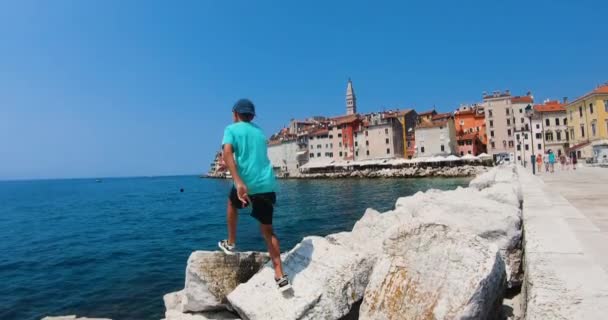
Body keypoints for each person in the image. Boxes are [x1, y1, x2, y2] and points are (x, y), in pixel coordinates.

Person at [218, 98, 291, 292]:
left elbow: (227, 154)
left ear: (235, 114)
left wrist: (239, 181)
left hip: (246, 184)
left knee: (231, 204)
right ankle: (280, 275)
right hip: (267, 183)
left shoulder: (231, 129)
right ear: (252, 116)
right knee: (268, 231)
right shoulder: (259, 132)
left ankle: (231, 242)